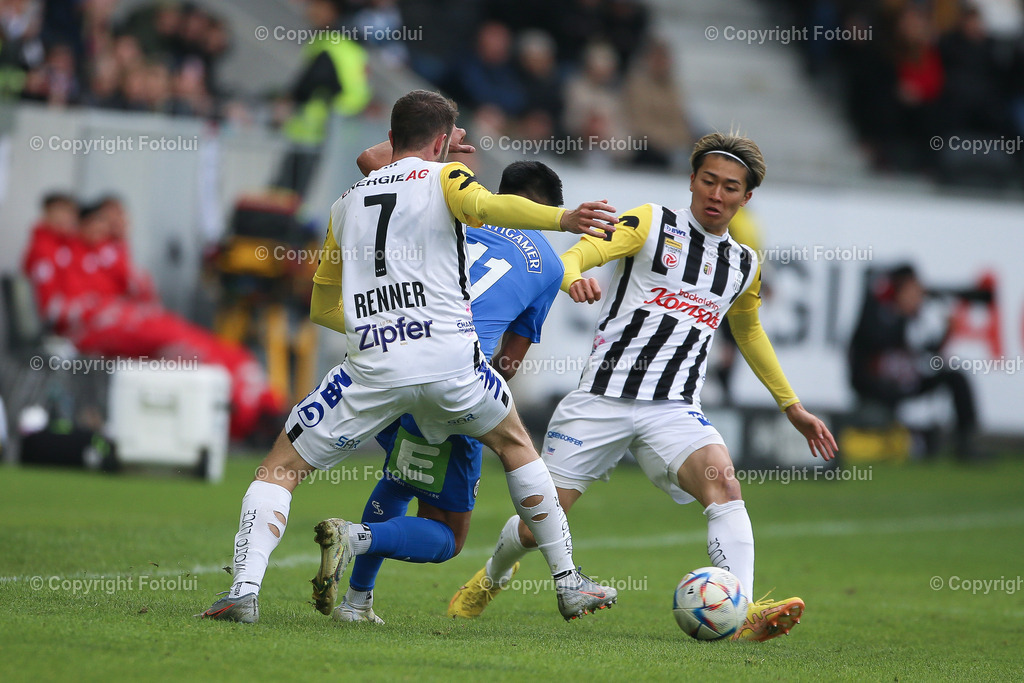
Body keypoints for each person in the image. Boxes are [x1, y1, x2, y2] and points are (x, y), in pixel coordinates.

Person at [200, 90, 619, 624]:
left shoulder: (343, 204)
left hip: (374, 365)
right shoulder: (448, 181)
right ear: (445, 143)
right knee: (517, 446)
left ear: (391, 137)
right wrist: (564, 219)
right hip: (452, 365)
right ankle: (567, 583)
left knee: (279, 468)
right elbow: (488, 206)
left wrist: (379, 325)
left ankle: (244, 592)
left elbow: (323, 303)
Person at [449, 132, 838, 643]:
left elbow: (749, 331)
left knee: (724, 486)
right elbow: (575, 257)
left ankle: (741, 610)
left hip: (674, 409)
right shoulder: (653, 222)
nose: (716, 195)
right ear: (692, 180)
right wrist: (572, 279)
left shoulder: (743, 264)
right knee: (535, 522)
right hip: (599, 402)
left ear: (747, 198)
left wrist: (793, 407)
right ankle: (493, 577)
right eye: (709, 181)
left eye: (730, 188)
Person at [318, 157, 571, 624]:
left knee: (400, 475)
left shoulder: (455, 211)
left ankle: (357, 602)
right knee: (449, 537)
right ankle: (356, 538)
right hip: (453, 380)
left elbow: (371, 161)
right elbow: (508, 364)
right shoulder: (549, 262)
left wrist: (441, 144)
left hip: (389, 359)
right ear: (544, 212)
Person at [848, 263, 978, 461]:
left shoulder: (914, 319)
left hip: (907, 383)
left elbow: (925, 353)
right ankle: (918, 440)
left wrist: (946, 333)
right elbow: (875, 340)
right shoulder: (877, 313)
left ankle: (966, 443)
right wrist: (903, 313)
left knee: (956, 377)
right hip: (879, 388)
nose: (917, 298)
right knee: (877, 426)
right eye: (912, 291)